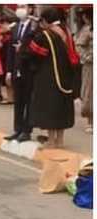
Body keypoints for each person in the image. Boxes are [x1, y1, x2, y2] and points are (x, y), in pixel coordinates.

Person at [27, 6, 80, 149]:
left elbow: (33, 55)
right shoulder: (67, 32)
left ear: (45, 20)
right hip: (66, 76)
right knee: (61, 106)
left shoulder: (45, 35)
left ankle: (51, 140)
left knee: (49, 107)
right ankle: (60, 140)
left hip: (48, 76)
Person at [5, 5, 40, 142]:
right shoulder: (14, 27)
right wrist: (8, 70)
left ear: (30, 9)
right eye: (19, 6)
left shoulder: (35, 27)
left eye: (24, 6)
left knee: (28, 101)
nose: (20, 9)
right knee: (18, 101)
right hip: (16, 69)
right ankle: (17, 129)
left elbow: (35, 48)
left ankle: (27, 130)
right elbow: (10, 51)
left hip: (29, 70)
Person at [79, 8, 94, 133]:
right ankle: (91, 121)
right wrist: (87, 57)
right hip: (91, 65)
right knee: (89, 92)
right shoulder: (87, 29)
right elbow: (79, 46)